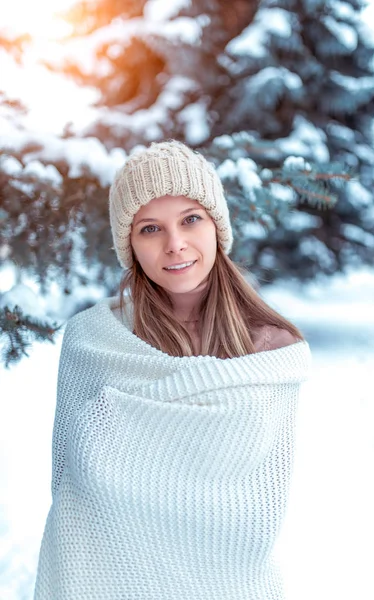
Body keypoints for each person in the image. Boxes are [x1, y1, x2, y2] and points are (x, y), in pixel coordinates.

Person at [34, 140, 312, 599]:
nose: (175, 244)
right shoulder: (94, 342)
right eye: (149, 229)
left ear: (216, 225)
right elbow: (72, 496)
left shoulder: (271, 350)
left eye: (190, 219)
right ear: (131, 246)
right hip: (111, 581)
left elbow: (258, 507)